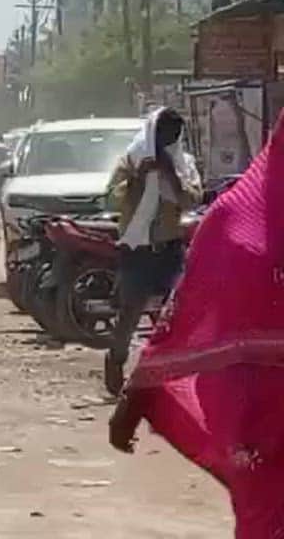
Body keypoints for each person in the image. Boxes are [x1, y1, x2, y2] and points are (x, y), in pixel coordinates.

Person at [109, 109, 284, 538]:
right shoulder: (235, 220)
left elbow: (190, 197)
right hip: (260, 420)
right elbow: (190, 315)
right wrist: (139, 394)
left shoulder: (196, 182)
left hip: (167, 248)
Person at [103, 107, 202, 396]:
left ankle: (169, 373)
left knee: (174, 313)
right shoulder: (130, 161)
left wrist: (170, 175)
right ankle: (116, 361)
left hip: (169, 247)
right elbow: (111, 199)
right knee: (131, 312)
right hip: (137, 249)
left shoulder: (184, 163)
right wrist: (138, 179)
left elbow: (192, 198)